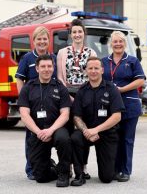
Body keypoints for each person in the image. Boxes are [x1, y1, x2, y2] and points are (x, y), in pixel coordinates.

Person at [18, 54, 72, 187]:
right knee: (40, 177)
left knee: (64, 138)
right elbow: (24, 115)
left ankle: (64, 174)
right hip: (38, 131)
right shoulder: (28, 88)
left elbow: (65, 114)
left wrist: (51, 130)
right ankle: (54, 168)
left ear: (53, 68)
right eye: (43, 66)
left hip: (57, 128)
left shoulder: (60, 87)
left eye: (49, 66)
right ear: (37, 68)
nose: (46, 69)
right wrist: (38, 132)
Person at [70, 57, 125, 186]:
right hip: (87, 132)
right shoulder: (82, 91)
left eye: (96, 68)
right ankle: (79, 174)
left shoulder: (111, 89)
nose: (93, 71)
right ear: (86, 71)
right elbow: (76, 117)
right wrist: (86, 131)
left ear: (102, 70)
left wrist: (96, 130)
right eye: (90, 68)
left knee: (106, 178)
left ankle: (111, 169)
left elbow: (117, 116)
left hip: (107, 133)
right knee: (75, 137)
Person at [102, 31, 146, 182]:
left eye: (121, 41)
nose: (118, 44)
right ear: (111, 44)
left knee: (127, 139)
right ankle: (113, 169)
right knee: (113, 138)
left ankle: (125, 170)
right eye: (115, 41)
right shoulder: (104, 61)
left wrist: (121, 89)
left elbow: (140, 80)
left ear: (125, 43)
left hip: (129, 104)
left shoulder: (132, 61)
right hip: (110, 106)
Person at [57, 18, 97, 179]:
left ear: (84, 34)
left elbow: (92, 77)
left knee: (82, 132)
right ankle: (69, 167)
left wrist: (80, 98)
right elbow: (59, 77)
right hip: (67, 95)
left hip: (84, 96)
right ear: (71, 34)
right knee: (67, 134)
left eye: (80, 31)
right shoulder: (62, 52)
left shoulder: (91, 52)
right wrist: (67, 96)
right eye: (74, 32)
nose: (77, 34)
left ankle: (84, 166)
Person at [15, 26, 57, 180]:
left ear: (49, 41)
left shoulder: (53, 57)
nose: (42, 42)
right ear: (33, 41)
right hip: (32, 104)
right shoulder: (27, 58)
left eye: (45, 39)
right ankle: (31, 168)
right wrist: (23, 100)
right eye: (39, 39)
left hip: (51, 103)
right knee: (32, 137)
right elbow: (19, 79)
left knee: (49, 135)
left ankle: (46, 164)